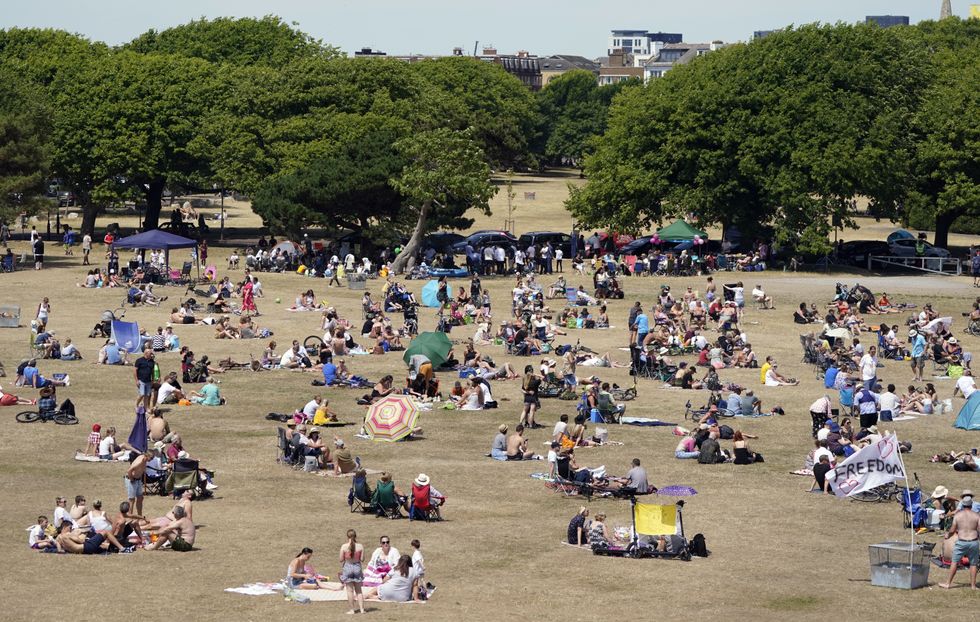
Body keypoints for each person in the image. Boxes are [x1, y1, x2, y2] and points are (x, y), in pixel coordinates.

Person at [939, 490, 979, 589]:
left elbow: (952, 529)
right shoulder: (977, 516)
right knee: (973, 564)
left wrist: (948, 535)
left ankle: (948, 584)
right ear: (971, 505)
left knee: (954, 562)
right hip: (974, 542)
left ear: (963, 504)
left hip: (961, 542)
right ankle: (973, 586)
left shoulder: (958, 515)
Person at [339, 530, 366, 614]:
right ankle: (362, 609)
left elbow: (341, 559)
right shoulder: (360, 546)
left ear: (347, 537)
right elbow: (362, 559)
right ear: (355, 536)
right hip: (357, 567)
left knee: (349, 591)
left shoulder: (344, 546)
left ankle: (352, 610)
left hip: (348, 567)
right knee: (359, 591)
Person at [125, 450, 149, 517]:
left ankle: (139, 516)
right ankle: (130, 517)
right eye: (151, 458)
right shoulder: (139, 461)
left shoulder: (144, 460)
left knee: (140, 498)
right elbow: (129, 470)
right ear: (147, 456)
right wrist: (131, 479)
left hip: (138, 480)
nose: (152, 459)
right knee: (132, 500)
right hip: (132, 480)